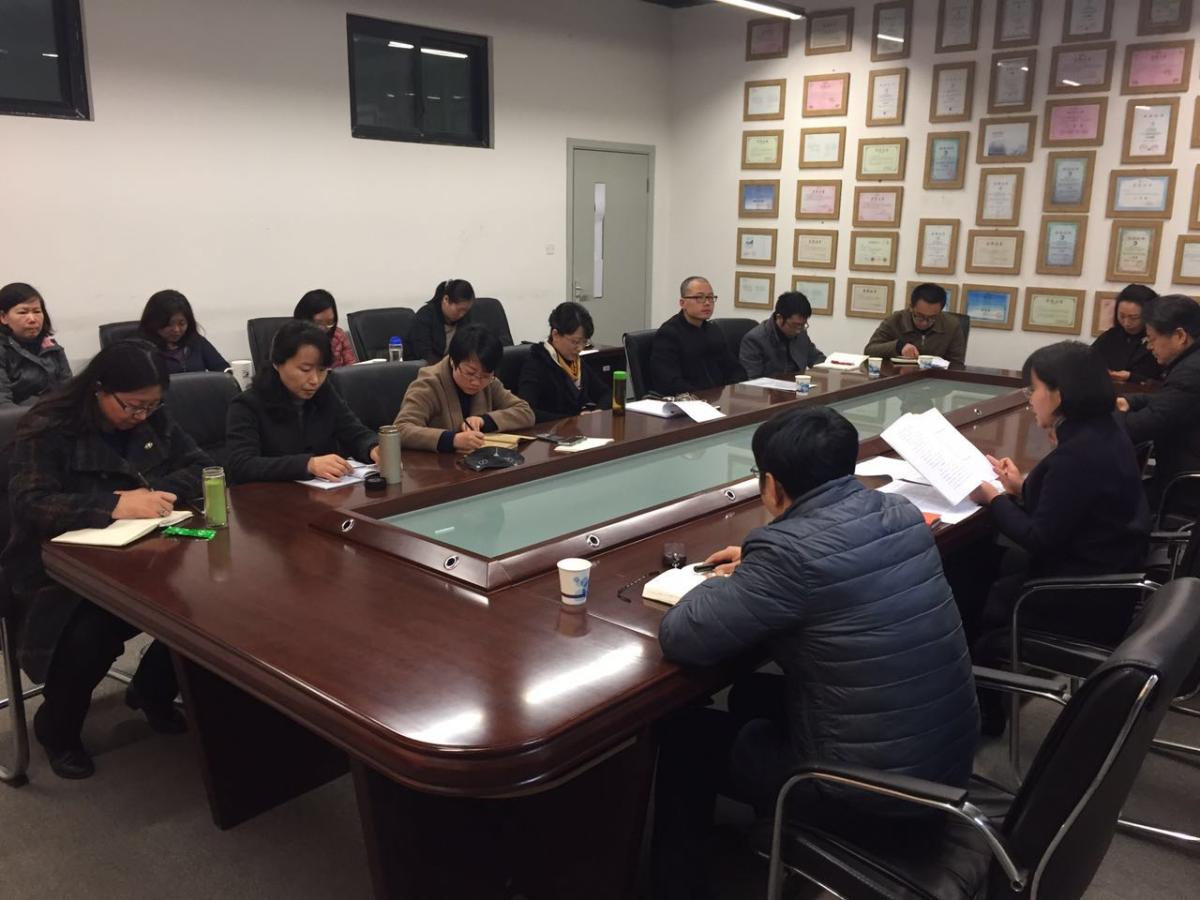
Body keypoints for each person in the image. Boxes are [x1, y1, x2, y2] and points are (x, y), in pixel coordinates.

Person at [652, 406, 978, 899]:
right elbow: (828, 562)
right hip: (944, 765)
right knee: (751, 694)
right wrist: (758, 566)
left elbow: (683, 636)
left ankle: (678, 887)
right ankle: (775, 832)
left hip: (869, 798)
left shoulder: (787, 555)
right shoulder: (901, 513)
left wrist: (732, 578)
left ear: (771, 485)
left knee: (685, 734)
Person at [3, 340, 209, 778]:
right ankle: (56, 727)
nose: (143, 416)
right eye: (132, 406)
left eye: (152, 405)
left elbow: (200, 465)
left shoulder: (151, 417)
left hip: (142, 553)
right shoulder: (48, 427)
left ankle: (152, 689)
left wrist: (152, 494)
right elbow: (30, 503)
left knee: (204, 602)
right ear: (99, 389)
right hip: (53, 568)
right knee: (90, 632)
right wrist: (113, 504)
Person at [225, 321, 380, 483]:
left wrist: (373, 448)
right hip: (271, 495)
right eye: (305, 369)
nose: (315, 380)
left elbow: (354, 433)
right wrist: (307, 464)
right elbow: (241, 465)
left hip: (325, 492)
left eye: (322, 370)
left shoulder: (324, 393)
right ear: (277, 363)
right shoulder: (247, 405)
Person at [1117, 294, 1200, 511]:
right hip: (1183, 473)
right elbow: (1169, 400)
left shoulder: (1191, 373)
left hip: (1185, 487)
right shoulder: (1192, 363)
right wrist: (1128, 401)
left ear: (1180, 336)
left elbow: (1140, 427)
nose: (1149, 347)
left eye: (1152, 339)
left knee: (1112, 504)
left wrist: (1105, 414)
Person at [394, 324, 534, 452]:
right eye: (470, 373)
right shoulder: (429, 383)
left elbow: (525, 412)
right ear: (453, 362)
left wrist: (485, 420)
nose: (476, 382)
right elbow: (400, 429)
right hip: (437, 466)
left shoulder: (490, 382)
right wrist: (451, 439)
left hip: (479, 462)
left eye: (485, 376)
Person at [648, 276, 745, 395]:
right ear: (682, 303)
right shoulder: (669, 334)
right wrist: (702, 396)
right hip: (689, 400)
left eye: (710, 297)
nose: (707, 303)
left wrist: (731, 391)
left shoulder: (713, 330)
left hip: (717, 398)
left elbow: (735, 369)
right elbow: (669, 382)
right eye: (699, 298)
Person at [517, 301, 609, 422]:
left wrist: (598, 411)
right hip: (549, 430)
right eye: (575, 342)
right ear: (555, 335)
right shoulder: (536, 362)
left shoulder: (575, 362)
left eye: (584, 342)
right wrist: (573, 419)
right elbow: (527, 411)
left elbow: (606, 393)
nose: (580, 348)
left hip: (576, 428)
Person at [0, 282, 71, 406]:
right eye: (23, 312)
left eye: (37, 311)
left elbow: (69, 391)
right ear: (3, 317)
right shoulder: (3, 350)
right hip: (18, 416)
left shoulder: (52, 347)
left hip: (55, 413)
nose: (32, 319)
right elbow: (3, 404)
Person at [863, 282, 966, 365]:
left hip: (936, 378)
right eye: (919, 316)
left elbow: (957, 364)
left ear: (940, 311)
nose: (924, 323)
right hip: (898, 377)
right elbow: (869, 350)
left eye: (932, 318)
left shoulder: (952, 325)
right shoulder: (896, 319)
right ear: (911, 307)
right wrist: (898, 346)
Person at [137, 289, 229, 375]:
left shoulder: (195, 341)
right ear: (154, 322)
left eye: (182, 323)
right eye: (169, 324)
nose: (176, 329)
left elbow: (223, 369)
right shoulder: (140, 350)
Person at [738, 291, 826, 378]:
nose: (798, 330)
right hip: (770, 386)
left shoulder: (801, 333)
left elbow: (817, 358)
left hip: (797, 385)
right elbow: (753, 379)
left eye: (803, 324)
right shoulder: (755, 340)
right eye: (795, 325)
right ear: (779, 317)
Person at [1091, 284, 1162, 383]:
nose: (1126, 323)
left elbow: (1168, 380)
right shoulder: (1110, 336)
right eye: (1122, 316)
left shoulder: (1161, 341)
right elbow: (1088, 362)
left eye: (1134, 318)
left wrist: (1132, 378)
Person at [405, 278, 475, 364]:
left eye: (466, 311)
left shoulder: (465, 318)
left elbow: (469, 347)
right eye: (459, 310)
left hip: (453, 367)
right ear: (446, 299)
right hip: (425, 367)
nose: (462, 314)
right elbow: (424, 354)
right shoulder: (425, 316)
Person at [294, 289, 358, 368]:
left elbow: (352, 366)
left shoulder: (338, 335)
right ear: (305, 319)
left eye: (330, 322)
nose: (324, 328)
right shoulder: (293, 340)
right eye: (318, 323)